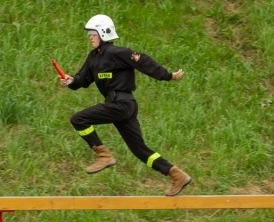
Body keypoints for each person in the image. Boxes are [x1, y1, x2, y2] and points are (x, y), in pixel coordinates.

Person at [59, 14, 192, 197]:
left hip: (122, 104)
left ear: (104, 33)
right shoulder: (93, 57)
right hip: (120, 106)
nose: (90, 37)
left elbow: (142, 61)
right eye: (89, 34)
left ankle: (103, 155)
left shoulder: (117, 53)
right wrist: (71, 81)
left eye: (93, 33)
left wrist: (167, 75)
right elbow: (83, 79)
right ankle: (177, 175)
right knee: (140, 150)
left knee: (78, 119)